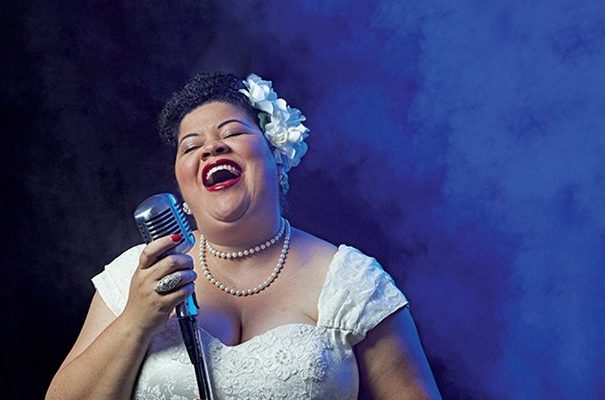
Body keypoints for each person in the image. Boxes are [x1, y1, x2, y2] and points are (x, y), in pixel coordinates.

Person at [45, 72, 441, 399]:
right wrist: (136, 320)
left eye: (232, 132)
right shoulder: (137, 274)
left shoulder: (351, 282)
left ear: (276, 157)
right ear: (182, 187)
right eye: (191, 146)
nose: (211, 148)